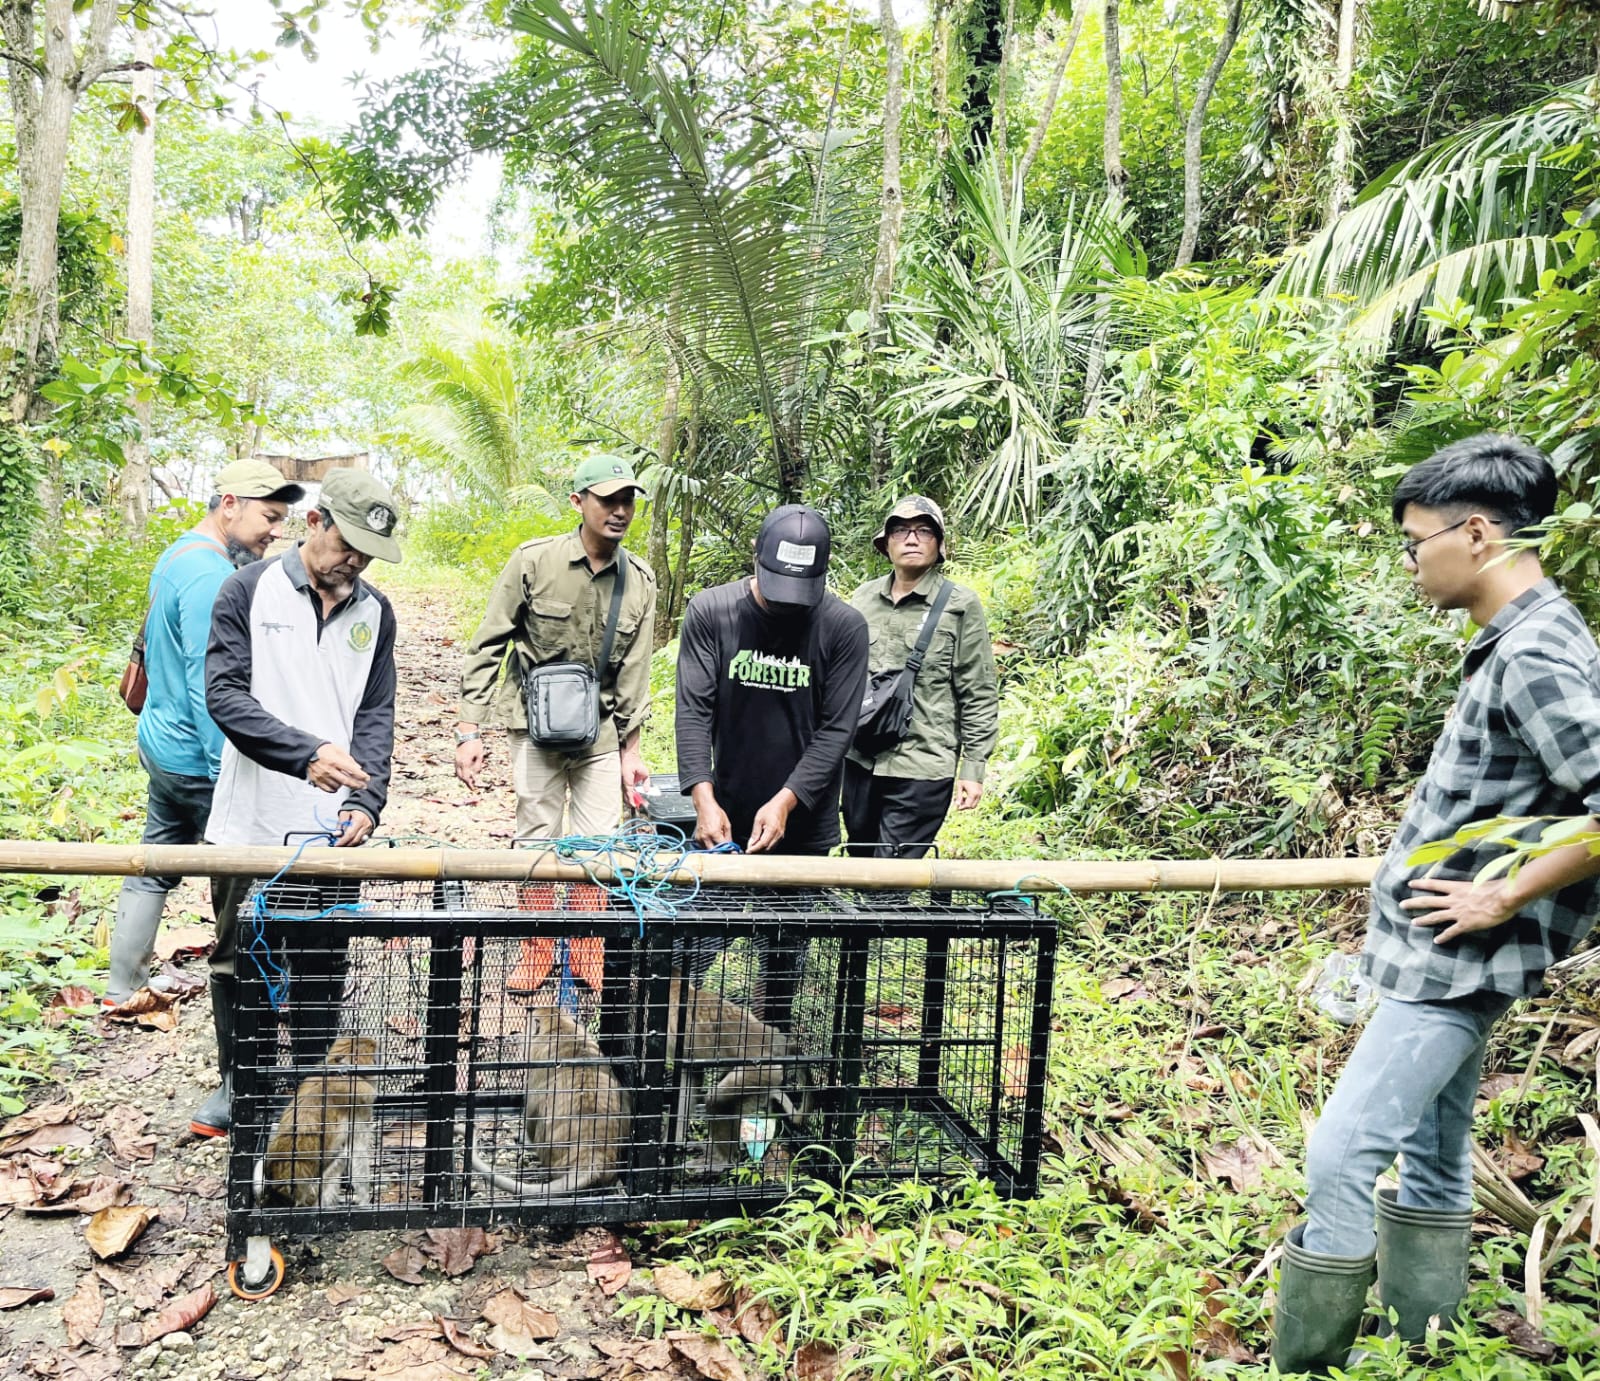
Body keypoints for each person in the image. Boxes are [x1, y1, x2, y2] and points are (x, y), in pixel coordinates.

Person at [1272, 434, 1600, 1372]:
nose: (1411, 560)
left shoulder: (1535, 651)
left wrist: (1507, 893)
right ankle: (1427, 1344)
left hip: (1455, 966)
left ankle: (1310, 1360)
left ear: (1479, 533)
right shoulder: (1526, 638)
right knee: (1435, 1145)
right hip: (1437, 954)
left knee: (1341, 1153)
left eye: (1417, 542)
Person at [193, 468, 402, 1139]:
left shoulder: (375, 612)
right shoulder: (246, 590)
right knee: (239, 952)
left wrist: (366, 798)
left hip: (330, 826)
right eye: (348, 545)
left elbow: (375, 713)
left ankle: (311, 1080)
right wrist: (304, 753)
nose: (355, 562)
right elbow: (225, 696)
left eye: (369, 553)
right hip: (253, 815)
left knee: (323, 955)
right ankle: (239, 1076)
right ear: (315, 522)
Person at [103, 459, 305, 1011]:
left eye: (281, 520)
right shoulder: (210, 577)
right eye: (269, 517)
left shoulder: (179, 554)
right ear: (229, 505)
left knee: (155, 865)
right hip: (198, 757)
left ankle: (123, 987)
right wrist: (228, 772)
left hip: (163, 744)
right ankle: (251, 992)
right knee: (242, 878)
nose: (275, 531)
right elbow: (207, 683)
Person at [454, 454, 656, 994]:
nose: (619, 511)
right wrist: (470, 729)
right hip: (533, 726)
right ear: (578, 502)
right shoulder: (534, 562)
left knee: (599, 846)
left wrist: (632, 751)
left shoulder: (639, 580)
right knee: (537, 839)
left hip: (601, 733)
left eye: (627, 501)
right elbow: (488, 644)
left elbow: (636, 671)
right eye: (607, 500)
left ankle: (587, 948)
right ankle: (538, 948)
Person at [676, 503, 870, 857]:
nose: (786, 604)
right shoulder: (712, 612)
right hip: (725, 811)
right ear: (756, 553)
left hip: (806, 819)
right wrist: (703, 799)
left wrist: (785, 801)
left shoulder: (844, 628)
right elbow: (693, 713)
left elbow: (836, 730)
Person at [844, 496, 998, 858]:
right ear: (886, 543)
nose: (911, 539)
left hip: (923, 763)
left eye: (923, 531)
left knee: (891, 875)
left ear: (939, 544)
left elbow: (978, 690)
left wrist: (973, 768)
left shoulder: (960, 604)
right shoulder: (863, 598)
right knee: (860, 862)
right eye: (901, 530)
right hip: (860, 759)